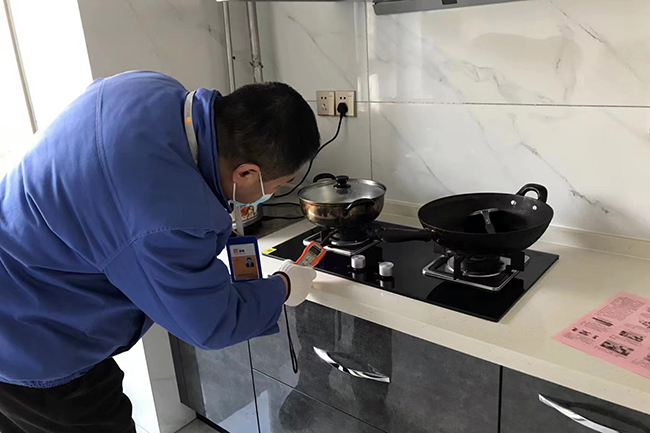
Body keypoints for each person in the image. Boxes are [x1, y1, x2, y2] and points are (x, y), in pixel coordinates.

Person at [0, 71, 320, 432]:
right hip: (34, 342)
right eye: (277, 186)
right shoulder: (168, 218)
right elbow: (213, 323)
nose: (272, 195)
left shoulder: (146, 86)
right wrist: (283, 287)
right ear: (246, 173)